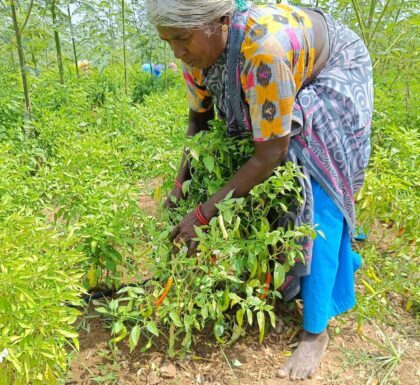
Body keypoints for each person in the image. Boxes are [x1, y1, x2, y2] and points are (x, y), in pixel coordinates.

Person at [146, 0, 373, 381]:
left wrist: (203, 214)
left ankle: (316, 329)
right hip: (286, 69)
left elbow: (270, 154)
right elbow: (199, 121)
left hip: (333, 70)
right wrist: (180, 185)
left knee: (312, 183)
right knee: (237, 170)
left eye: (183, 39)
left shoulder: (262, 50)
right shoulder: (195, 56)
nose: (177, 52)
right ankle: (291, 274)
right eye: (167, 41)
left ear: (220, 21)